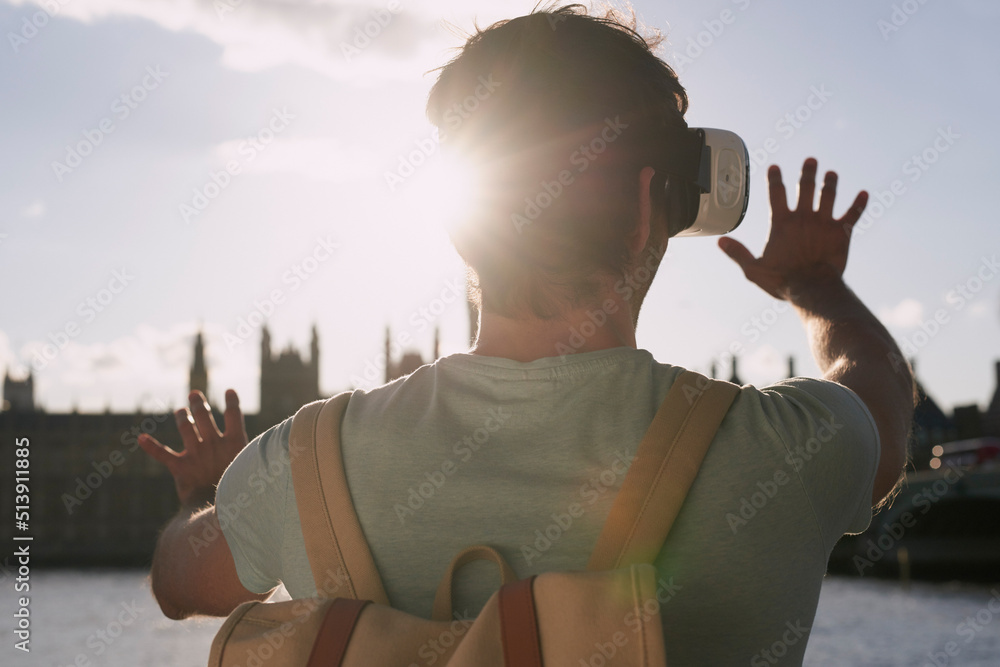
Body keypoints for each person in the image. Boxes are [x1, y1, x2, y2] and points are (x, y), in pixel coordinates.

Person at [139, 4, 914, 664]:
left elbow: (178, 578)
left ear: (460, 224)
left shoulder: (301, 463)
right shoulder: (784, 449)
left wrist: (206, 493)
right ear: (651, 209)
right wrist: (815, 285)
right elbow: (881, 397)